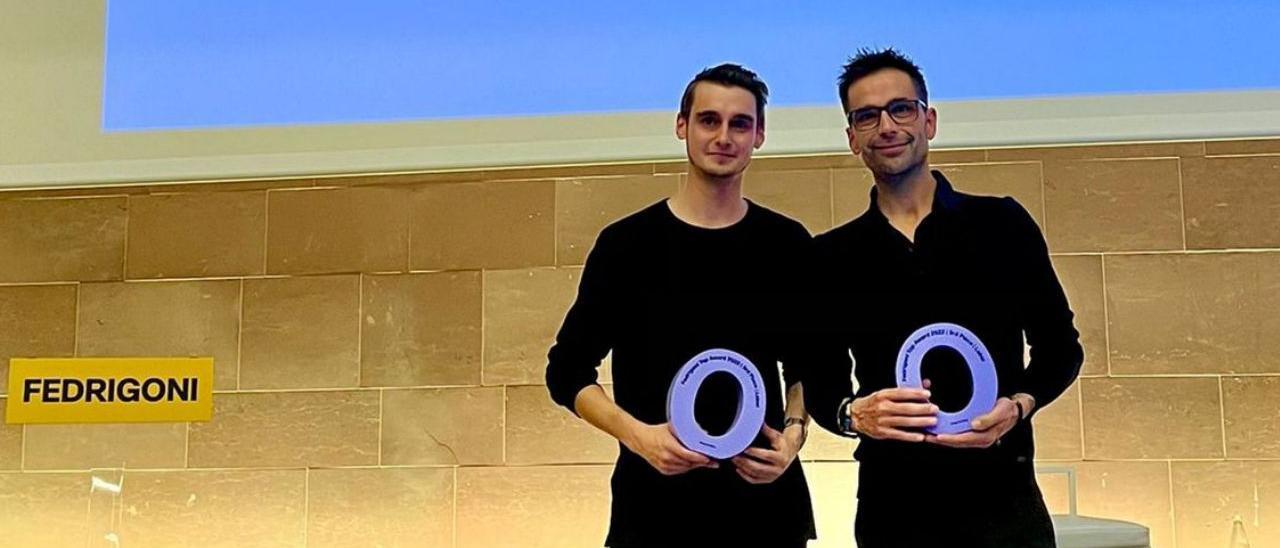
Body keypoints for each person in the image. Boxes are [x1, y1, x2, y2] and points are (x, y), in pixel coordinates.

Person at [804, 48, 1084, 547]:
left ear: (928, 120)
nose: (886, 126)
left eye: (901, 109)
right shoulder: (831, 256)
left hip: (1005, 504)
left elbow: (1061, 347)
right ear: (852, 139)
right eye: (866, 116)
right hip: (894, 511)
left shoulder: (1002, 224)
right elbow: (824, 387)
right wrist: (853, 414)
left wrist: (1018, 406)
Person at [545, 63, 816, 547]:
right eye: (709, 120)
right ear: (681, 126)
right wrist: (638, 437)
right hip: (654, 511)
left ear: (759, 135)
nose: (724, 136)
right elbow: (566, 372)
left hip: (766, 511)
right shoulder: (627, 245)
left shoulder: (787, 244)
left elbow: (807, 364)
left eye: (740, 124)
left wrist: (793, 438)